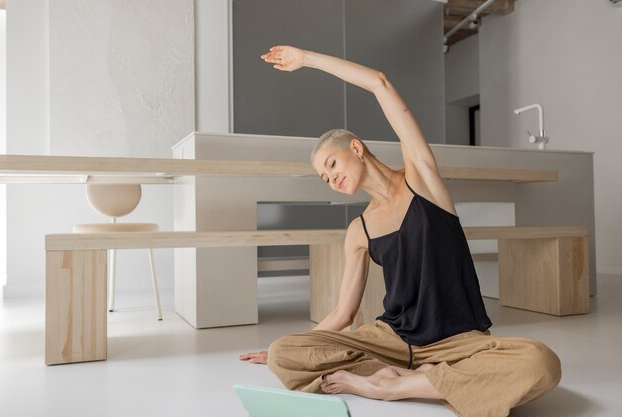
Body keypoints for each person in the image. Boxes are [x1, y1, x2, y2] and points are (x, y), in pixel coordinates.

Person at [240, 45, 561, 417]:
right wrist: (287, 349)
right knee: (284, 352)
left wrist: (307, 60)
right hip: (390, 341)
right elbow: (344, 313)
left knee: (541, 363)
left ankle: (396, 385)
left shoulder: (421, 180)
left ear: (356, 148)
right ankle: (428, 379)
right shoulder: (358, 231)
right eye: (324, 177)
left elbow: (379, 83)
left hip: (458, 341)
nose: (331, 177)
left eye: (331, 163)